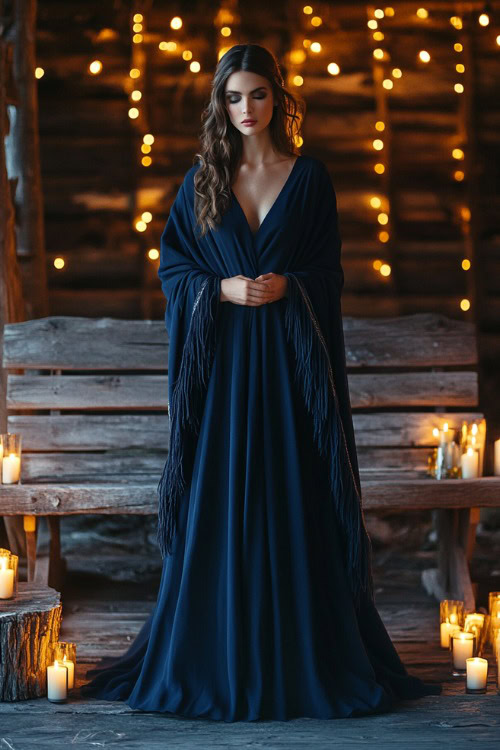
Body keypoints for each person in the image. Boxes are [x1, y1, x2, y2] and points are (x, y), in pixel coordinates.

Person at [81, 42, 442, 720]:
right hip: (221, 381)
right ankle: (212, 654)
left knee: (294, 498)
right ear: (221, 104)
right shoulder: (201, 183)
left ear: (279, 99)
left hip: (286, 377)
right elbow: (175, 271)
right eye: (234, 96)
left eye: (259, 94)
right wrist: (218, 289)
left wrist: (290, 289)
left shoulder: (310, 180)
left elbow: (329, 276)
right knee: (218, 505)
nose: (247, 108)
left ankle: (304, 657)